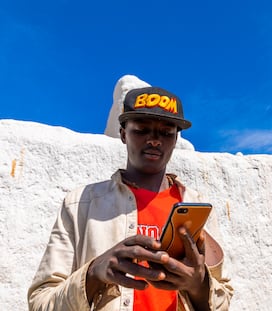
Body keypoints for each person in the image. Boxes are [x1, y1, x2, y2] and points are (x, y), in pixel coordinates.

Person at [28, 82, 233, 311]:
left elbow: (223, 300)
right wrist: (95, 272)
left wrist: (198, 285)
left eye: (166, 132)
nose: (154, 140)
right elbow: (40, 303)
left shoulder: (195, 207)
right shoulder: (80, 204)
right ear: (123, 134)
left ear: (175, 140)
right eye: (141, 129)